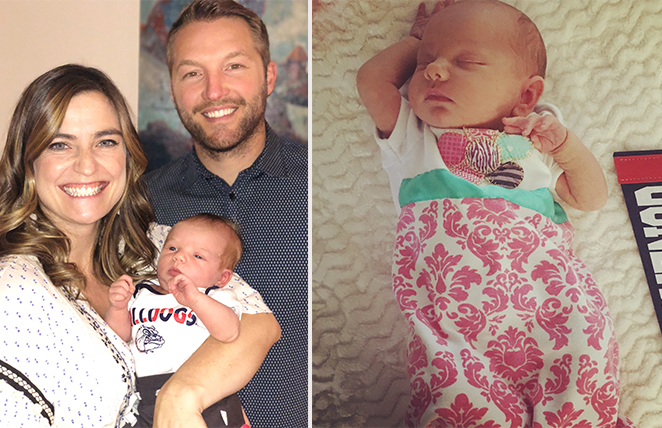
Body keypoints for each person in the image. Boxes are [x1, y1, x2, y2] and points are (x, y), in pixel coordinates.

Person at [357, 1, 634, 427]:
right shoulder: (412, 139)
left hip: (555, 308)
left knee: (583, 369)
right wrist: (417, 39)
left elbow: (590, 197)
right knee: (458, 405)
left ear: (526, 96)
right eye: (425, 62)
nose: (433, 71)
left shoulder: (533, 142)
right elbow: (374, 80)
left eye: (466, 62)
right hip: (454, 333)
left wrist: (565, 148)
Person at [0, 64, 279, 428]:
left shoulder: (157, 245)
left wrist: (180, 396)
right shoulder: (10, 292)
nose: (86, 165)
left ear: (127, 154)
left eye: (106, 141)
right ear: (28, 163)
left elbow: (260, 322)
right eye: (60, 144)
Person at [144, 1, 308, 427]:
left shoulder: (321, 188)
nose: (214, 91)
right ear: (173, 87)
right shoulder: (142, 203)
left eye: (233, 66)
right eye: (192, 73)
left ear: (269, 77)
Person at [107, 213, 254, 428]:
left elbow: (229, 332)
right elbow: (120, 337)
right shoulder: (141, 294)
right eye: (172, 248)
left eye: (198, 256)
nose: (179, 257)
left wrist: (195, 299)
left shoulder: (213, 297)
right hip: (145, 394)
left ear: (222, 277)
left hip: (204, 392)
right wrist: (118, 307)